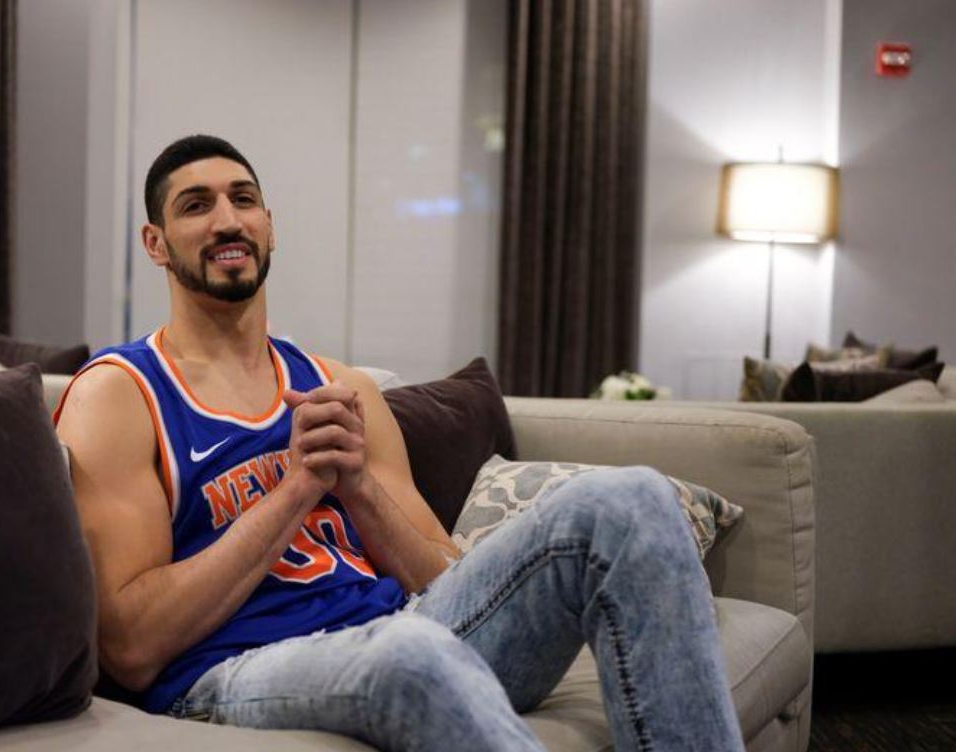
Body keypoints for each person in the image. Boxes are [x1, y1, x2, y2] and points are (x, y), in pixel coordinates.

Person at [54, 134, 743, 751]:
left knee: (633, 498)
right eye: (196, 206)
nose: (227, 220)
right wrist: (296, 490)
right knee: (409, 650)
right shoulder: (119, 394)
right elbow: (131, 646)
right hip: (234, 671)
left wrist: (357, 486)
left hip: (411, 629)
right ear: (155, 243)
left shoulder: (341, 388)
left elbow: (442, 578)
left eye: (243, 199)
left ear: (270, 226)